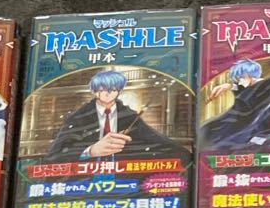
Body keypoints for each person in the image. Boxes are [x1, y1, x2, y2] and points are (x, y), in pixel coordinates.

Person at [47, 69, 188, 161]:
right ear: (95, 91)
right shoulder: (79, 118)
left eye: (113, 89)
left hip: (124, 177)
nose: (108, 93)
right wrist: (90, 151)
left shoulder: (128, 117)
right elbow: (56, 154)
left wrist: (188, 157)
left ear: (119, 91)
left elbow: (158, 141)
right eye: (103, 90)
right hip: (84, 181)